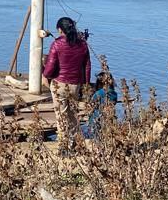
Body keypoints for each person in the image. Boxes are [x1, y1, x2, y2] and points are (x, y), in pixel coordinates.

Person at [42, 16, 92, 155]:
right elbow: (87, 66)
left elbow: (51, 66)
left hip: (60, 84)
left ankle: (64, 147)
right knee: (72, 114)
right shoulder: (82, 44)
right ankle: (75, 143)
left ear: (60, 29)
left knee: (61, 116)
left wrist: (44, 75)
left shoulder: (57, 44)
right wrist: (85, 84)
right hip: (75, 84)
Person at [84, 71, 118, 140]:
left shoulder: (98, 93)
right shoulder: (114, 94)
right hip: (108, 119)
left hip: (96, 120)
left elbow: (91, 104)